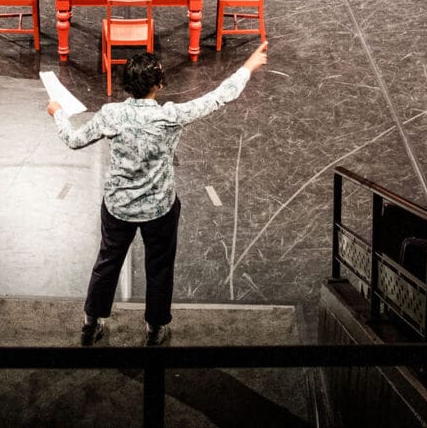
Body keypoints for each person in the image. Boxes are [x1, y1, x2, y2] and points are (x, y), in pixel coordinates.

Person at [50, 42, 267, 348]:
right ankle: (154, 330)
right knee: (159, 267)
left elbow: (73, 140)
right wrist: (248, 67)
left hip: (118, 207)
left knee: (107, 262)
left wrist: (57, 113)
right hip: (159, 210)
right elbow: (219, 97)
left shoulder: (111, 114)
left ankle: (90, 324)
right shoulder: (169, 116)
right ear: (158, 85)